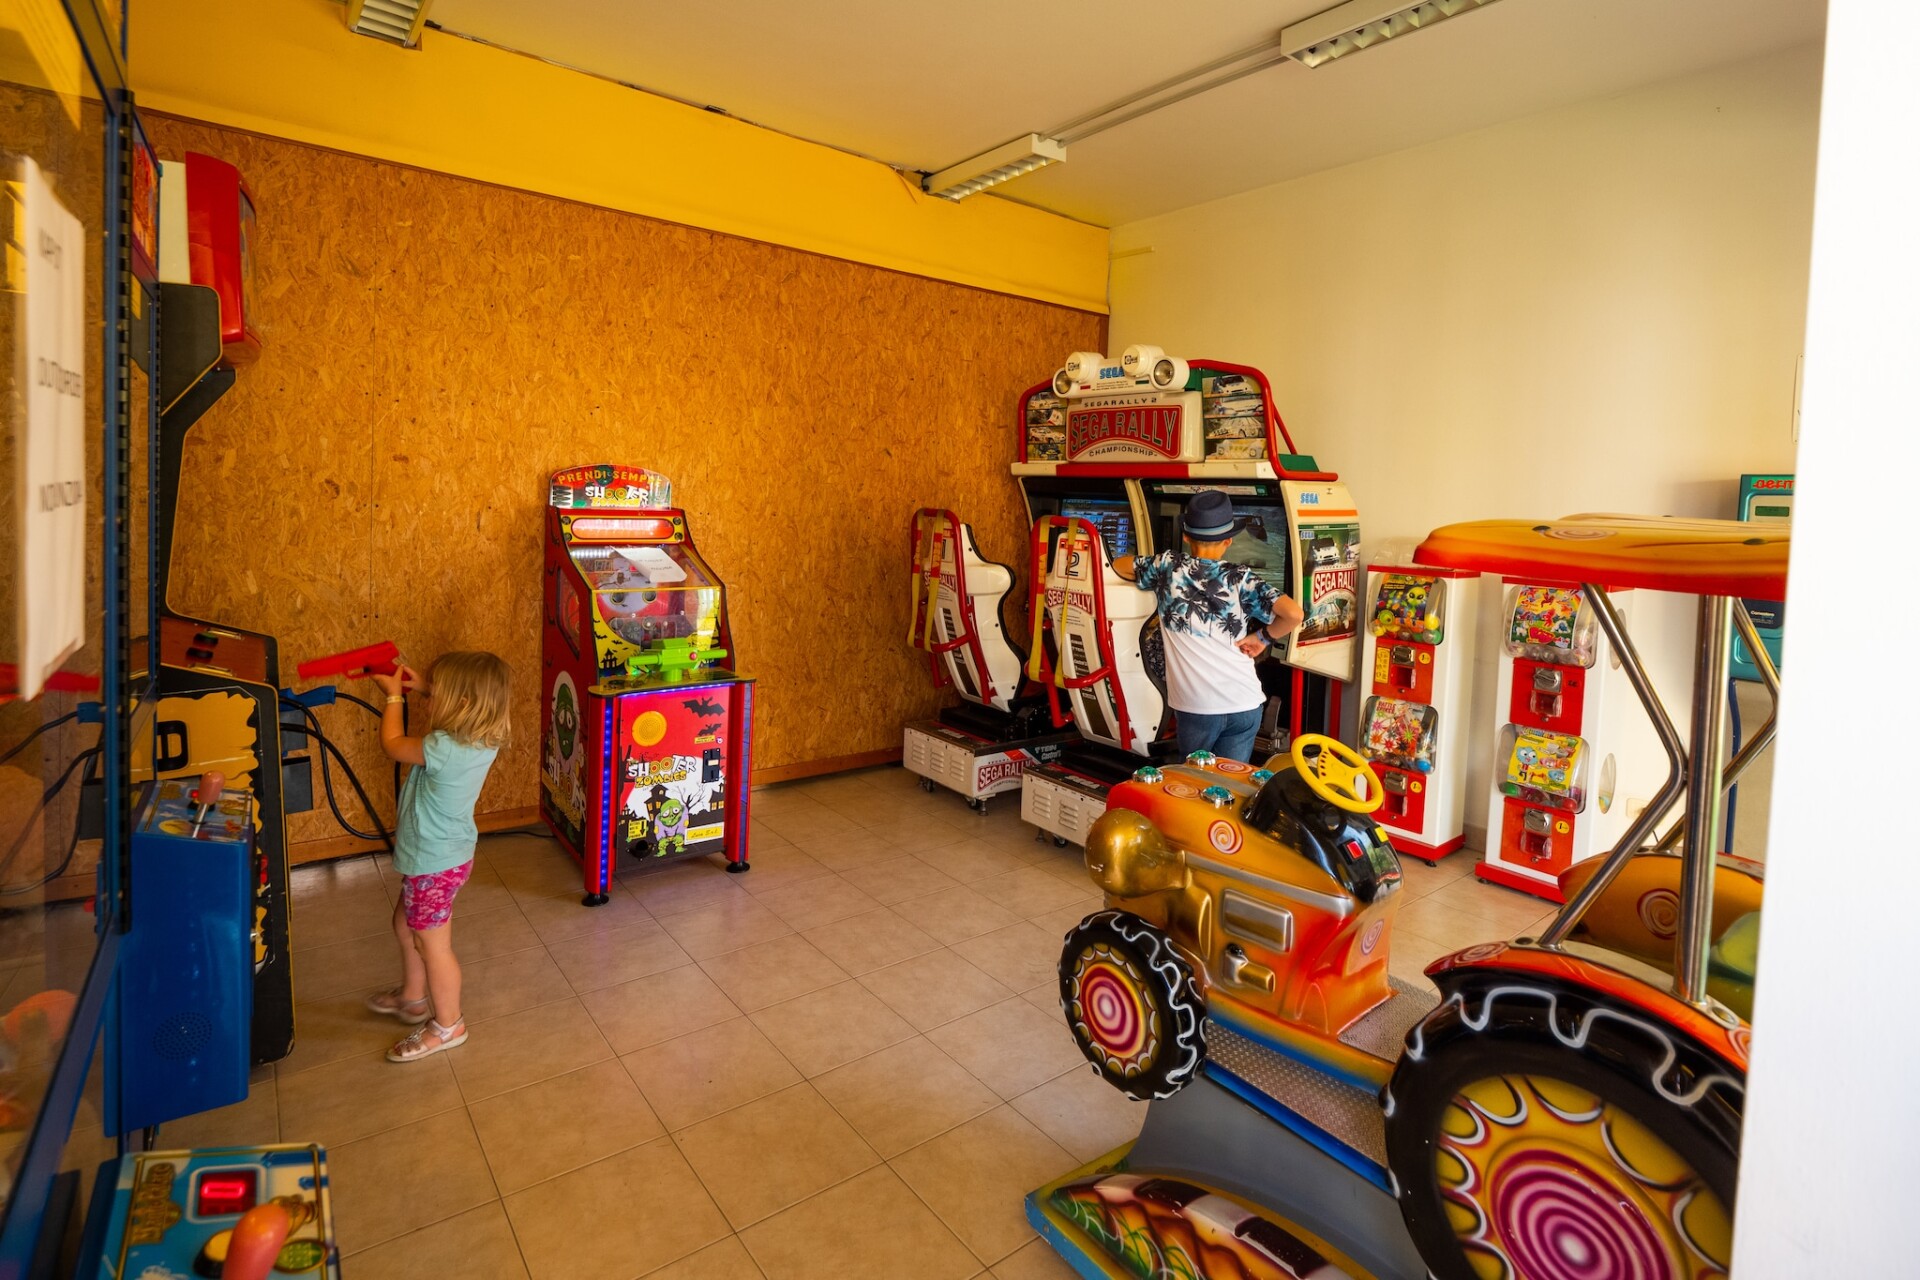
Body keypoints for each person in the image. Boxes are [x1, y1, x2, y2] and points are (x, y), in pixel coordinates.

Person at [361, 650, 511, 1062]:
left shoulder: (444, 746)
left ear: (461, 703)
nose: (431, 699)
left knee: (433, 945)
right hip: (444, 856)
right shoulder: (482, 738)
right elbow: (463, 704)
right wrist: (424, 686)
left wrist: (394, 696)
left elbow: (393, 744)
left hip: (434, 861)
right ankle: (413, 997)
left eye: (438, 692)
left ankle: (449, 1025)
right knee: (405, 924)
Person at [1114, 490, 1304, 763]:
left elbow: (1119, 565)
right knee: (1229, 783)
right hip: (1245, 703)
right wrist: (1262, 637)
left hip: (1197, 708)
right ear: (1228, 540)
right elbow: (1294, 614)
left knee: (1195, 781)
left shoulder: (1167, 568)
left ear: (1186, 536)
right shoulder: (1241, 578)